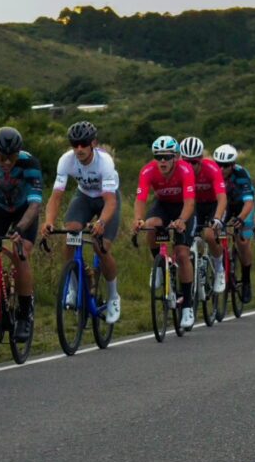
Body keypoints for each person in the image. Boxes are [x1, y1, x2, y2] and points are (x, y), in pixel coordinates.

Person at [41, 121, 122, 323]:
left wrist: (101, 222)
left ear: (93, 143)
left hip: (107, 199)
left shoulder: (105, 162)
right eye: (74, 144)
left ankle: (113, 296)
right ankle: (74, 285)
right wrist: (49, 221)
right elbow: (56, 196)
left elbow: (110, 202)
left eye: (83, 144)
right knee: (71, 233)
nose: (79, 149)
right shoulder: (66, 161)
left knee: (101, 247)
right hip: (84, 196)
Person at [0, 126, 43, 341]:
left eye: (11, 157)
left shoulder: (29, 164)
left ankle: (24, 315)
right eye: (2, 157)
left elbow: (34, 206)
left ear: (18, 153)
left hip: (25, 212)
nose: (6, 163)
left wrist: (20, 228)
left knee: (20, 255)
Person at [131, 136, 196, 329]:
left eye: (167, 157)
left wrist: (182, 221)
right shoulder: (148, 171)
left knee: (183, 253)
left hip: (183, 208)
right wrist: (138, 219)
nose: (162, 161)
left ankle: (188, 307)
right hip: (163, 206)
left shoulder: (185, 169)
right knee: (151, 225)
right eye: (158, 157)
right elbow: (141, 199)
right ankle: (159, 266)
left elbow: (190, 202)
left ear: (175, 157)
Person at [179, 136, 227, 294]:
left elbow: (222, 197)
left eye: (194, 162)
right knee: (187, 241)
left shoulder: (212, 169)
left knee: (209, 235)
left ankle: (219, 269)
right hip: (195, 206)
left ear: (201, 159)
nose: (190, 166)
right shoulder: (180, 170)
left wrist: (218, 218)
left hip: (213, 205)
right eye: (186, 162)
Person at [213, 144, 255, 303]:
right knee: (213, 232)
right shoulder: (213, 173)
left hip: (242, 206)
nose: (222, 169)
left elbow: (249, 202)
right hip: (223, 207)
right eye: (219, 165)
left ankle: (246, 281)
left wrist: (242, 218)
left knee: (242, 241)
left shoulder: (241, 174)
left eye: (226, 166)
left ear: (233, 165)